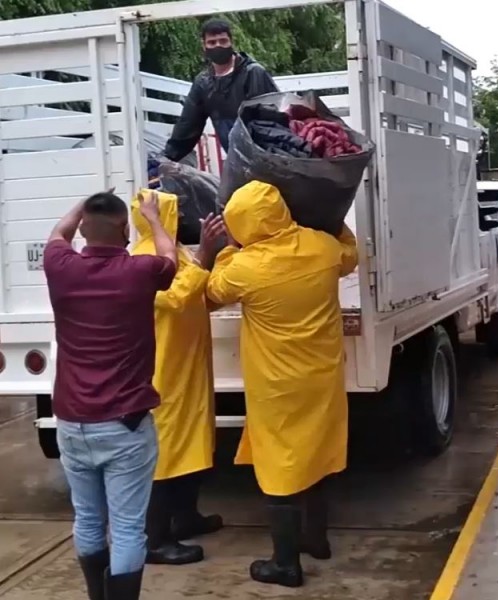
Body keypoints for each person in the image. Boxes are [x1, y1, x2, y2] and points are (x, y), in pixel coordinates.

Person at [206, 181, 358, 588]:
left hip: (276, 386)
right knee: (318, 455)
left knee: (281, 467)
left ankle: (285, 563)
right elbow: (350, 254)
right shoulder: (322, 248)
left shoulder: (244, 268)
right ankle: (317, 539)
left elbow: (209, 293)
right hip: (322, 377)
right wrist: (332, 221)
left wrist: (225, 250)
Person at [43, 191, 177, 600]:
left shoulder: (60, 266)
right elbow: (170, 257)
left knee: (87, 519)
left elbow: (57, 233)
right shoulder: (140, 271)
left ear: (83, 228)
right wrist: (153, 219)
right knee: (127, 528)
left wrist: (81, 205)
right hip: (124, 424)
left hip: (70, 420)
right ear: (124, 230)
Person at [128, 190, 227, 566]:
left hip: (188, 367)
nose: (182, 214)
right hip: (163, 373)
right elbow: (174, 295)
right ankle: (155, 540)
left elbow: (198, 293)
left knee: (194, 442)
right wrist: (205, 254)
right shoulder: (143, 257)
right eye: (175, 209)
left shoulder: (174, 250)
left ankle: (186, 518)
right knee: (165, 453)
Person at [163, 18, 279, 163]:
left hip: (268, 157)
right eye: (212, 42)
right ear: (204, 46)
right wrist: (168, 157)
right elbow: (188, 125)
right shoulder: (203, 83)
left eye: (223, 41)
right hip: (236, 160)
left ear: (231, 42)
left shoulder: (253, 73)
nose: (218, 46)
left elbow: (271, 120)